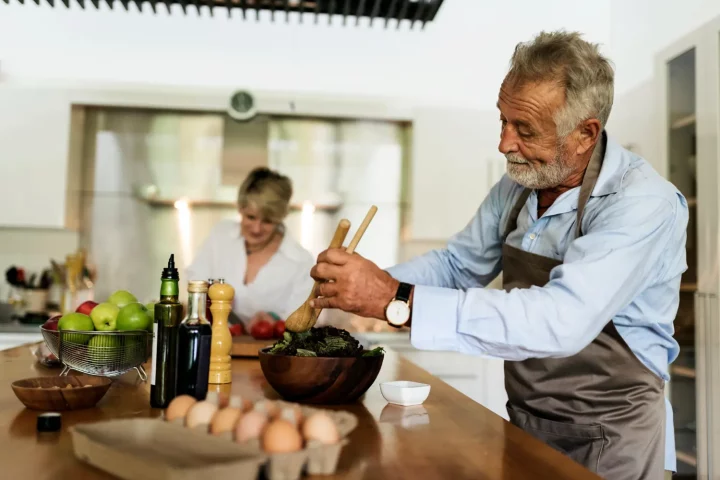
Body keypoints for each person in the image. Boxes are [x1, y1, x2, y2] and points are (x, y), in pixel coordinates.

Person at [308, 31, 686, 480]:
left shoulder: (642, 203)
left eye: (524, 129)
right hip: (527, 421)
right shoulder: (520, 185)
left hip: (613, 439)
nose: (504, 143)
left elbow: (559, 320)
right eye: (503, 121)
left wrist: (396, 299)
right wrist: (359, 287)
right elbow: (457, 266)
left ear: (585, 133)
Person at [186, 167, 314, 327]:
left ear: (281, 217)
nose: (256, 228)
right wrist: (209, 294)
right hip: (213, 342)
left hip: (268, 350)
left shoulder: (301, 262)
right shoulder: (220, 235)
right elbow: (194, 280)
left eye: (267, 221)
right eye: (250, 217)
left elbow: (303, 319)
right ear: (240, 208)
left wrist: (274, 319)